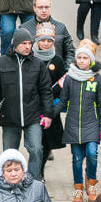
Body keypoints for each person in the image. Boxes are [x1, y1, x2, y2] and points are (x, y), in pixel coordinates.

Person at [0, 29, 53, 180]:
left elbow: (46, 91)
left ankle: (34, 181)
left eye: (30, 43)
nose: (28, 46)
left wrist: (48, 114)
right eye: (24, 43)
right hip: (10, 117)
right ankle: (9, 183)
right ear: (15, 44)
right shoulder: (0, 63)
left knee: (36, 149)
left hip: (33, 116)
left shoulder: (38, 64)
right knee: (9, 154)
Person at [53, 39, 101, 202]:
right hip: (73, 125)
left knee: (92, 154)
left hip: (92, 124)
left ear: (91, 60)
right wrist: (49, 114)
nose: (82, 61)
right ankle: (78, 189)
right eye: (80, 58)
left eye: (85, 58)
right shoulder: (70, 78)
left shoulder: (98, 80)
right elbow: (62, 102)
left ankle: (91, 183)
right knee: (76, 159)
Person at [29, 21, 65, 178]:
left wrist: (56, 97)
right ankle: (34, 169)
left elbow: (62, 82)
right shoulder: (30, 58)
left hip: (49, 107)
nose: (46, 43)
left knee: (46, 142)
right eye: (43, 40)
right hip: (32, 105)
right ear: (37, 41)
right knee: (35, 143)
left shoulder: (57, 61)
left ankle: (40, 171)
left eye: (49, 40)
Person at [20, 0, 74, 69]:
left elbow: (70, 50)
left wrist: (67, 69)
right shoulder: (24, 28)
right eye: (40, 7)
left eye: (46, 7)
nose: (44, 10)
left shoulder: (61, 27)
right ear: (34, 8)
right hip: (32, 72)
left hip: (56, 71)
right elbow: (17, 52)